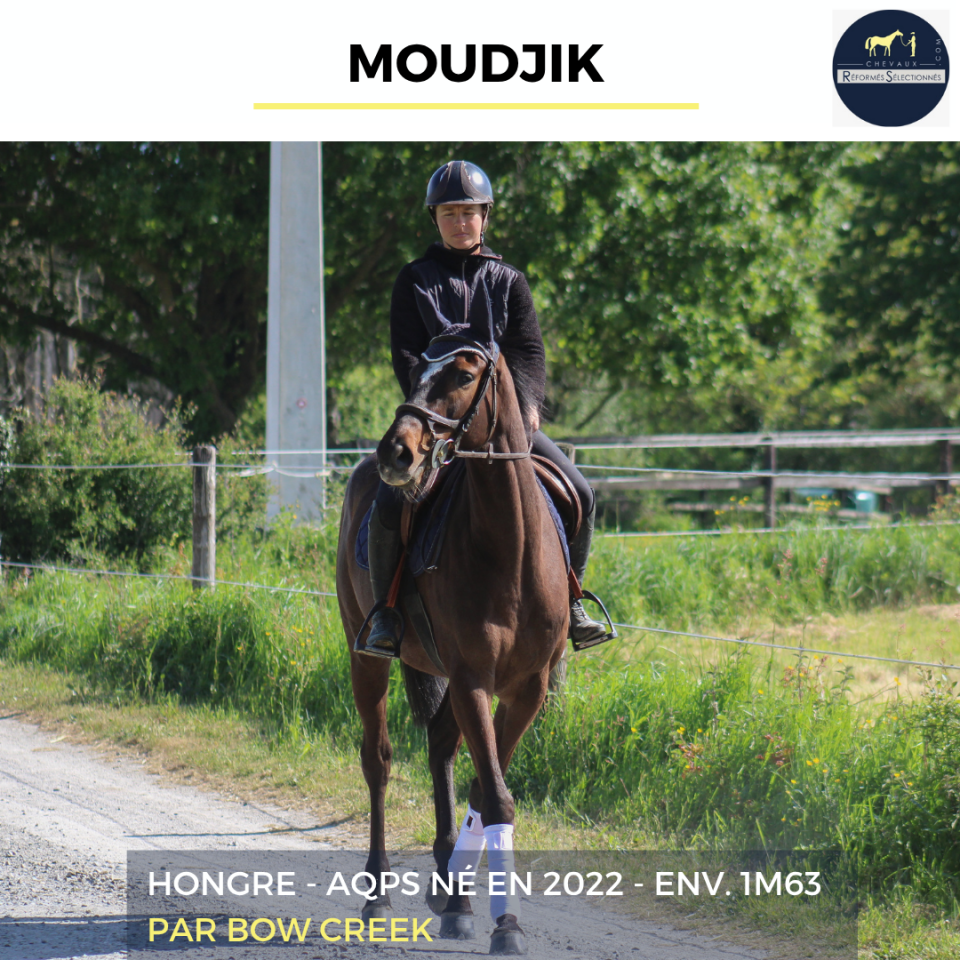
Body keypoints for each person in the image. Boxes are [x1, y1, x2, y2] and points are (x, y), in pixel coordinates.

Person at [362, 159, 608, 657]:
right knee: (389, 501)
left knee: (580, 492)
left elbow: (528, 351)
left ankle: (573, 601)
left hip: (501, 424)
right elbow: (406, 353)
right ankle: (386, 612)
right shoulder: (415, 280)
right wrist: (431, 411)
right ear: (435, 219)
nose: (460, 222)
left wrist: (528, 406)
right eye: (449, 213)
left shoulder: (508, 280)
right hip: (438, 423)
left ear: (484, 216)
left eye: (468, 212)